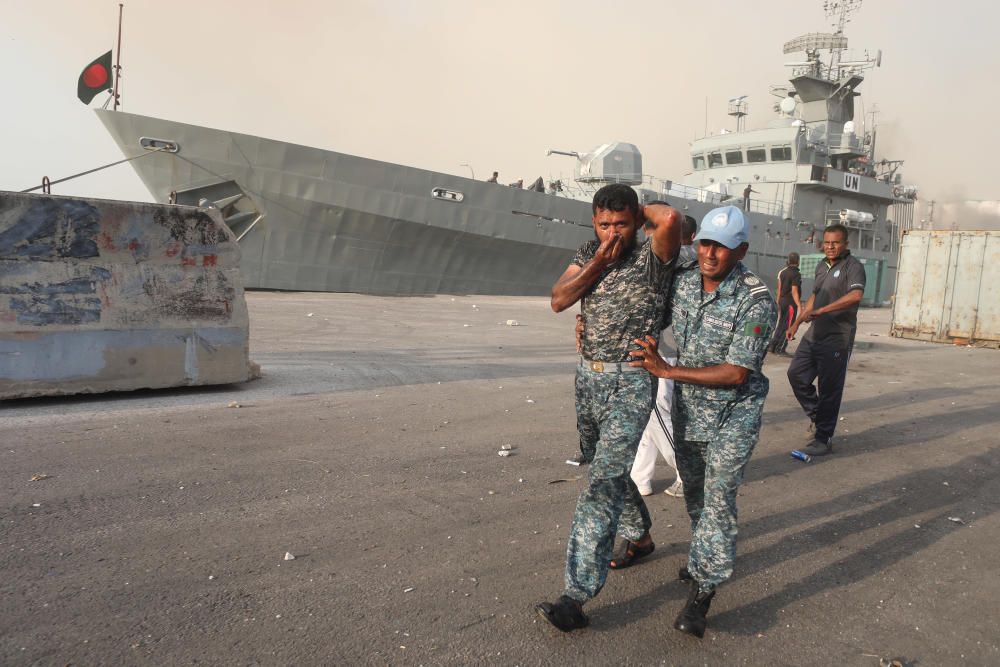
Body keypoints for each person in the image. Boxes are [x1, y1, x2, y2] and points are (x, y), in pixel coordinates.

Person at [535, 184, 681, 633]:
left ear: (637, 220)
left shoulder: (654, 256)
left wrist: (638, 219)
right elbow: (560, 300)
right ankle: (640, 535)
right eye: (603, 225)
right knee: (603, 467)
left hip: (631, 380)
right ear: (593, 223)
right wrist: (599, 258)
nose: (612, 233)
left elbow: (671, 220)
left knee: (601, 483)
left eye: (621, 224)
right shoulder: (588, 252)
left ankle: (575, 597)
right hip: (589, 376)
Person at [629, 205, 776, 638]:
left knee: (718, 498)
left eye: (723, 247)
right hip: (691, 412)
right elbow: (651, 315)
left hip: (735, 415)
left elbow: (736, 374)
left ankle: (703, 594)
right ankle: (702, 559)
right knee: (694, 493)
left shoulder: (755, 300)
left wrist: (667, 371)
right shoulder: (686, 281)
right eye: (707, 243)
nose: (711, 254)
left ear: (741, 250)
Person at [627, 214, 698, 498]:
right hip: (662, 347)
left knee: (657, 412)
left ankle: (686, 473)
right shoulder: (686, 256)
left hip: (666, 350)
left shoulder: (678, 257)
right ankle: (640, 477)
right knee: (649, 414)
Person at [785, 223, 865, 457]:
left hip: (837, 337)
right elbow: (814, 296)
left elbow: (855, 295)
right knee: (796, 374)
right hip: (814, 334)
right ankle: (819, 417)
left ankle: (823, 438)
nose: (830, 247)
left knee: (829, 389)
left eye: (835, 242)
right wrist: (797, 322)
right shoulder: (822, 266)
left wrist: (823, 311)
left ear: (845, 244)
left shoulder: (854, 267)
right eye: (827, 243)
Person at [769, 252, 802, 355]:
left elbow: (779, 289)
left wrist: (778, 301)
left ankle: (772, 346)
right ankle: (781, 348)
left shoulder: (782, 272)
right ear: (798, 262)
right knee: (788, 326)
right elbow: (794, 291)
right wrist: (799, 305)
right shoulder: (796, 274)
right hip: (790, 303)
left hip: (782, 301)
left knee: (781, 324)